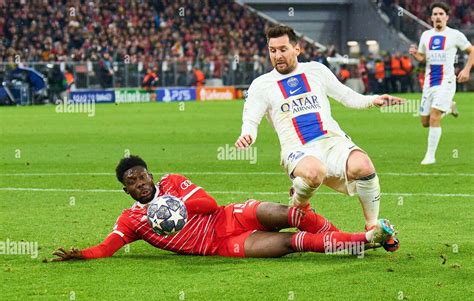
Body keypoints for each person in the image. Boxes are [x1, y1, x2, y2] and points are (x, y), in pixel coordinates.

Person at [50, 155, 399, 262]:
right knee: (293, 243)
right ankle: (366, 240)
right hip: (223, 245)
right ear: (125, 190)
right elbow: (109, 247)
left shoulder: (173, 182)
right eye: (132, 181)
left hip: (230, 215)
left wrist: (173, 203)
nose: (139, 182)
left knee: (290, 213)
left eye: (142, 176)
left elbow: (208, 204)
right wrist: (81, 255)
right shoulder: (132, 220)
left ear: (151, 175)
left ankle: (356, 237)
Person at [234, 25, 403, 240]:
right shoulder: (261, 85)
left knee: (364, 165)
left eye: (283, 49)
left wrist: (374, 100)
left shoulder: (316, 71)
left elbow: (346, 96)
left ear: (297, 49)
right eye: (272, 50)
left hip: (332, 141)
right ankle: (299, 204)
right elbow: (251, 119)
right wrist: (247, 134)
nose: (278, 55)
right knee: (315, 172)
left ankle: (372, 226)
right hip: (297, 150)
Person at [409, 2, 473, 165]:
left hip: (447, 81)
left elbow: (472, 50)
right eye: (435, 14)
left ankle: (430, 156)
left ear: (447, 17)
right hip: (429, 82)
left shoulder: (455, 35)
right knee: (425, 122)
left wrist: (466, 70)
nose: (438, 17)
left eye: (441, 14)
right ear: (431, 18)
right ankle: (449, 107)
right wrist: (416, 55)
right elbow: (424, 58)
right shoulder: (426, 36)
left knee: (435, 115)